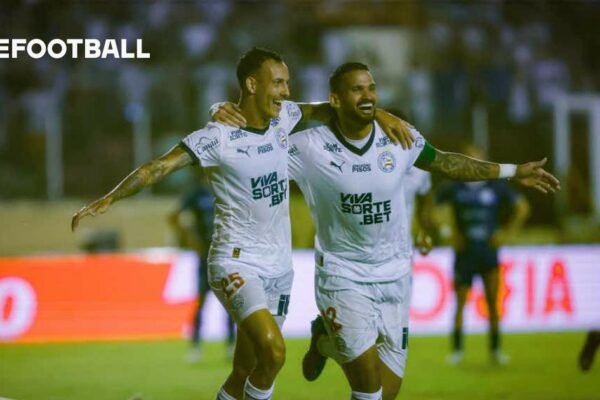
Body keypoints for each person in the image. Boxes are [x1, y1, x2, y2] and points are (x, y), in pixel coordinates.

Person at [72, 48, 413, 400]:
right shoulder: (218, 137)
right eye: (278, 83)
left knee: (244, 371)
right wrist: (110, 197)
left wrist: (382, 115)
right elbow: (159, 166)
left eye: (287, 83)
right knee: (274, 352)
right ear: (252, 85)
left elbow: (332, 109)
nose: (286, 91)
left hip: (278, 267)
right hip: (235, 261)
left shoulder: (284, 118)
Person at [214, 61, 559, 400]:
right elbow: (255, 135)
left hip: (396, 276)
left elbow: (446, 162)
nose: (368, 96)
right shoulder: (307, 146)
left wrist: (513, 171)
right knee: (369, 390)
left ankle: (325, 342)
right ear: (335, 99)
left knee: (387, 391)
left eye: (371, 88)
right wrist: (221, 110)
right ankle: (332, 339)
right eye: (357, 90)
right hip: (343, 276)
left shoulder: (399, 137)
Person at [436, 144, 531, 366]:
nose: (473, 162)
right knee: (460, 304)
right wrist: (448, 232)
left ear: (483, 162)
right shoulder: (454, 185)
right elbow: (434, 206)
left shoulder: (495, 186)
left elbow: (522, 207)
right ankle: (457, 351)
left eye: (476, 159)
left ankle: (495, 350)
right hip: (464, 252)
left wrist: (507, 234)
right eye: (469, 158)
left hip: (488, 252)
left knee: (492, 303)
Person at [168, 179, 236, 363]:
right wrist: (190, 239)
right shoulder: (196, 193)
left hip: (224, 257)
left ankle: (231, 345)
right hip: (204, 257)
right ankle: (195, 346)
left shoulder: (225, 189)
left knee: (230, 303)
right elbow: (173, 217)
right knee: (201, 302)